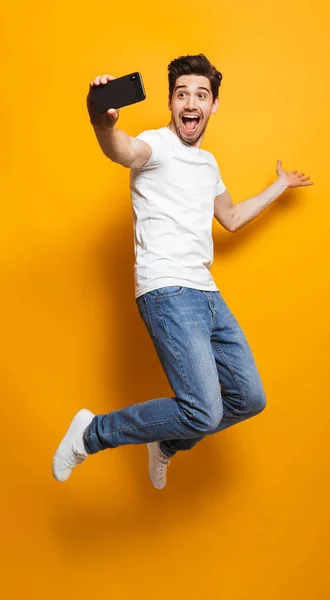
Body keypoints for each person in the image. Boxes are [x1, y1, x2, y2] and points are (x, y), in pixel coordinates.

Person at [52, 54, 313, 489]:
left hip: (207, 294)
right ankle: (92, 433)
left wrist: (279, 185)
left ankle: (168, 444)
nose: (191, 102)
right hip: (167, 291)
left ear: (213, 106)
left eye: (201, 95)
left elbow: (228, 217)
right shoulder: (155, 147)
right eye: (182, 94)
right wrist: (102, 121)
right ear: (172, 102)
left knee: (249, 399)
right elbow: (122, 148)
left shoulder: (207, 164)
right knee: (203, 410)